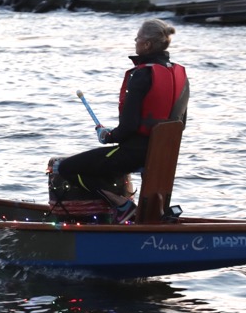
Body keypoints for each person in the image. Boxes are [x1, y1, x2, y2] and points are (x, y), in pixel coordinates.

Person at [56, 18, 189, 220]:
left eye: (137, 38)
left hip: (134, 153)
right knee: (100, 162)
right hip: (164, 154)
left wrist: (107, 136)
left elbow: (128, 127)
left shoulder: (142, 75)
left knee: (67, 167)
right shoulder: (181, 75)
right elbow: (181, 123)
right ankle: (147, 214)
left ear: (147, 44)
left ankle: (123, 206)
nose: (135, 42)